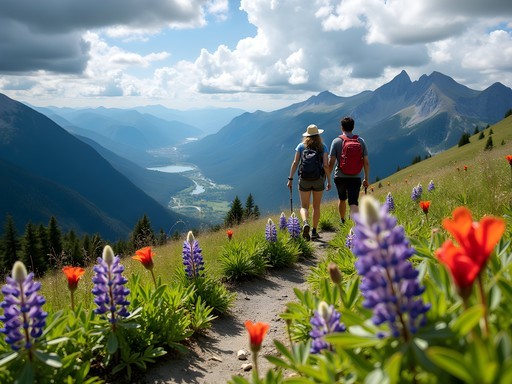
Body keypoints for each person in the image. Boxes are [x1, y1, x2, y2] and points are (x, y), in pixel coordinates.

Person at [287, 124, 331, 240]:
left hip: (304, 179)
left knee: (304, 206)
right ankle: (315, 231)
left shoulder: (301, 146)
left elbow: (295, 163)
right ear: (318, 135)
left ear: (307, 135)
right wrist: (329, 181)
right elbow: (326, 165)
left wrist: (290, 179)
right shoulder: (323, 147)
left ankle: (305, 222)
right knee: (316, 207)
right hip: (318, 180)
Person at [328, 117, 370, 224]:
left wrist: (327, 178)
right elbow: (366, 162)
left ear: (342, 127)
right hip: (355, 176)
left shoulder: (336, 141)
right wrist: (366, 178)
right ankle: (355, 226)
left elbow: (331, 162)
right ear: (353, 127)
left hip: (340, 176)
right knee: (353, 202)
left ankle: (343, 221)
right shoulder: (360, 141)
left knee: (342, 199)